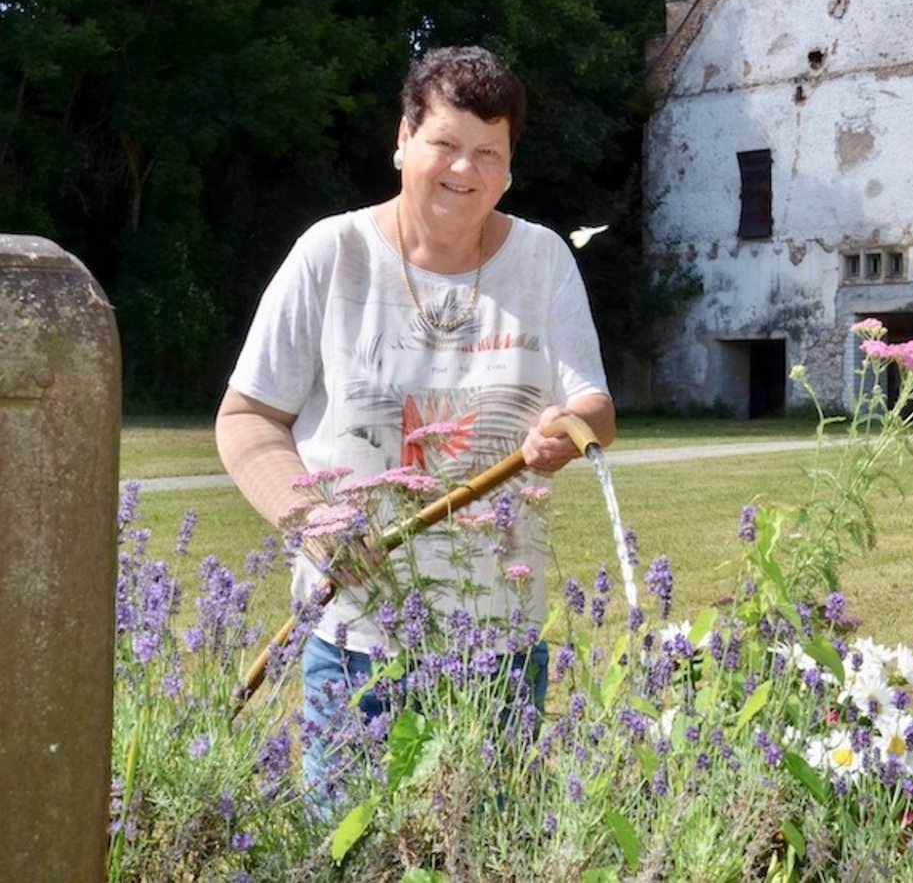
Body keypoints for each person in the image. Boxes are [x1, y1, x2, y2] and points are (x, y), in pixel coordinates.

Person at [215, 46, 615, 789]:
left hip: (499, 643)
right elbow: (247, 418)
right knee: (350, 852)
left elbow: (594, 406)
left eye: (488, 153)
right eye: (445, 144)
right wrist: (314, 521)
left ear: (509, 166)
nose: (464, 170)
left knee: (488, 852)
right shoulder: (332, 255)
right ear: (403, 140)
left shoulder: (542, 262)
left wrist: (571, 425)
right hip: (356, 633)